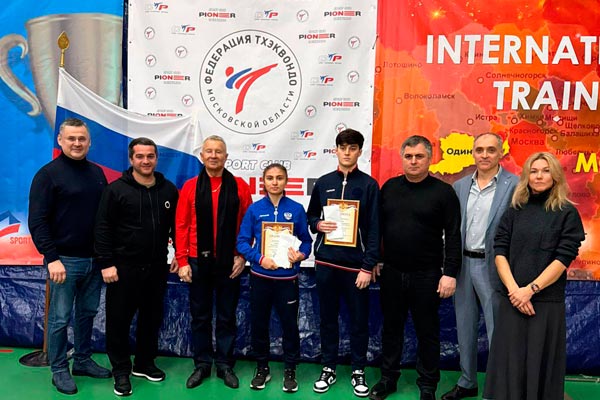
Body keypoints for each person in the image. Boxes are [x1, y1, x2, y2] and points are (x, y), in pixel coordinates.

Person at [483, 152, 585, 400]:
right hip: (513, 299)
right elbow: (499, 250)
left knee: (541, 362)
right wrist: (515, 292)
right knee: (510, 361)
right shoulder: (515, 210)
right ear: (527, 176)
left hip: (545, 302)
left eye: (545, 170)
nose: (539, 176)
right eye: (534, 171)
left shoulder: (567, 213)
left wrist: (530, 290)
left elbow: (562, 259)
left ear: (555, 176)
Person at [370, 135, 462, 400]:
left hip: (428, 275)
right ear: (402, 158)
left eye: (419, 156)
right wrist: (375, 259)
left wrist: (450, 273)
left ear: (430, 158)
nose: (413, 161)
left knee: (427, 331)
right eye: (408, 156)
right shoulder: (389, 188)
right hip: (392, 272)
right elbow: (377, 228)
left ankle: (428, 385)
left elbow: (453, 236)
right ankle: (388, 379)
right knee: (391, 329)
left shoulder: (444, 193)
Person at [28, 118, 111, 395]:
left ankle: (83, 360)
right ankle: (59, 369)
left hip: (94, 260)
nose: (77, 143)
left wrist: (104, 256)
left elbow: (104, 219)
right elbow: (37, 221)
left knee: (87, 313)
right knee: (60, 318)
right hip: (63, 261)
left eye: (82, 139)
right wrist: (52, 258)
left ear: (89, 142)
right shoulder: (47, 175)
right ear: (60, 140)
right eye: (71, 138)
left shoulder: (97, 173)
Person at [94, 137, 179, 396]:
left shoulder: (168, 190)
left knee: (151, 318)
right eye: (140, 156)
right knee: (119, 321)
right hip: (123, 268)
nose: (145, 161)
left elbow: (177, 226)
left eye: (150, 156)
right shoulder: (115, 190)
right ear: (131, 159)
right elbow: (102, 228)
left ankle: (144, 363)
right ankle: (121, 370)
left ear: (156, 158)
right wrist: (107, 263)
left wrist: (179, 253)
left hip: (157, 267)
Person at [441, 133, 518, 400]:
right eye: (480, 150)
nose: (484, 155)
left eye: (490, 150)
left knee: (498, 329)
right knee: (464, 327)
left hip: (495, 266)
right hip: (462, 265)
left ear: (501, 153)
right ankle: (467, 381)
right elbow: (452, 229)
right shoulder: (460, 186)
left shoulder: (515, 185)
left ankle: (497, 386)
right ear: (472, 153)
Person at [306, 128, 380, 397]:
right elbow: (311, 216)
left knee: (359, 321)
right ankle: (328, 367)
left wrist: (367, 266)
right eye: (343, 147)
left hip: (355, 268)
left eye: (352, 148)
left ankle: (358, 369)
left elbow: (375, 229)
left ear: (360, 151)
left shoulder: (369, 185)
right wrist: (318, 224)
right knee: (328, 320)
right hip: (326, 264)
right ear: (336, 150)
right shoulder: (324, 182)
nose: (347, 153)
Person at [176, 135, 252, 390]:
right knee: (200, 316)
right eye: (209, 151)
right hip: (197, 261)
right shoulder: (190, 187)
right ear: (202, 156)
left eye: (218, 151)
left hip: (229, 262)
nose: (213, 155)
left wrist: (242, 256)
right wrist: (182, 260)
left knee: (227, 316)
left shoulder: (240, 187)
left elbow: (247, 225)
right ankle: (202, 364)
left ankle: (224, 364)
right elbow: (181, 225)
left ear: (226, 157)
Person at [236, 163, 313, 393]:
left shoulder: (296, 209)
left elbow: (306, 241)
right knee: (259, 324)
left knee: (290, 325)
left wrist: (301, 255)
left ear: (286, 181)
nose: (275, 182)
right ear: (264, 181)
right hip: (260, 277)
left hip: (287, 279)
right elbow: (242, 242)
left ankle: (290, 369)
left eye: (279, 177)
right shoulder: (255, 210)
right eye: (270, 178)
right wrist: (259, 258)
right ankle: (262, 367)